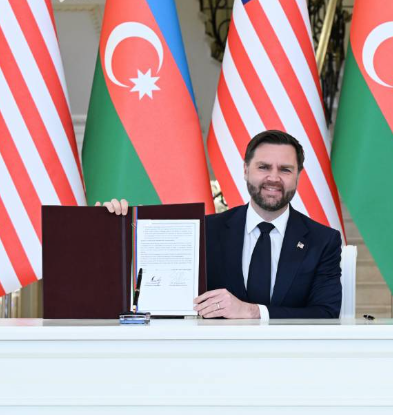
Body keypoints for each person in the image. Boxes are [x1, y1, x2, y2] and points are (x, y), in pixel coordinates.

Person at [100, 130, 342, 319]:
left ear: (298, 175)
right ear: (246, 170)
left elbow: (326, 313)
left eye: (285, 169)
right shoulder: (204, 231)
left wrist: (252, 311)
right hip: (214, 366)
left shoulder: (323, 241)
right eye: (263, 167)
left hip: (291, 367)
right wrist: (112, 228)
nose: (274, 178)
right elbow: (146, 283)